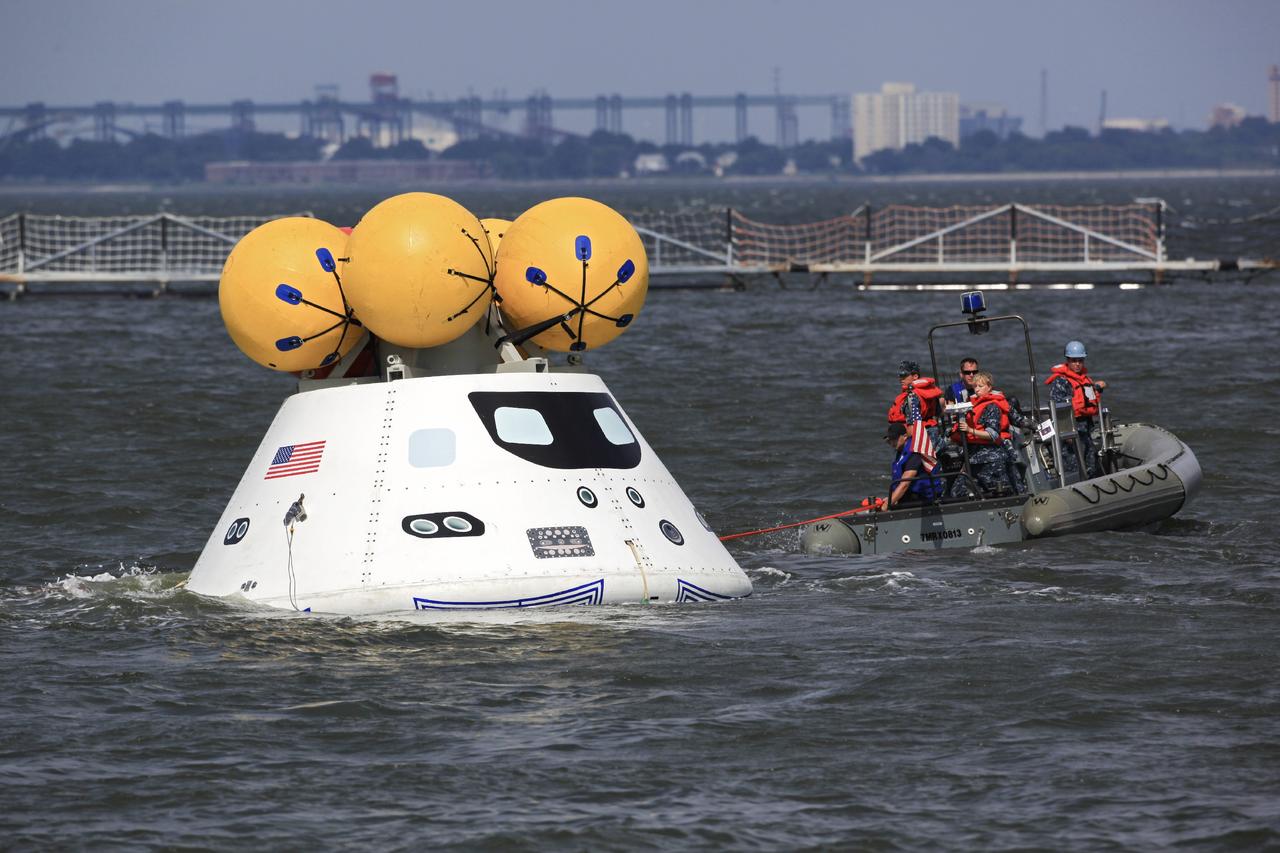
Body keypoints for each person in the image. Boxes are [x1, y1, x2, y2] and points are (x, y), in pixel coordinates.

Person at [952, 370, 1024, 496]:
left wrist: (970, 430)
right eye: (975, 387)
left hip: (993, 458)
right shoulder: (971, 406)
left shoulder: (992, 407)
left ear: (989, 387)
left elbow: (993, 434)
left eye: (980, 386)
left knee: (1004, 491)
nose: (977, 390)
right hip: (974, 456)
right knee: (957, 492)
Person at [1045, 340, 1108, 479]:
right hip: (1069, 432)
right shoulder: (1061, 382)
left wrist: (1097, 388)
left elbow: (1088, 400)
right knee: (1074, 468)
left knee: (1090, 462)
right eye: (1074, 361)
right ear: (1068, 360)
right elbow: (1058, 409)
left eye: (1080, 360)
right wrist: (1066, 432)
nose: (1077, 364)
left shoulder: (1085, 380)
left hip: (1084, 430)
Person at [887, 360, 944, 448]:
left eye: (904, 375)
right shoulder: (930, 392)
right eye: (900, 375)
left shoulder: (911, 396)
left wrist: (906, 445)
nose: (901, 378)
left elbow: (912, 428)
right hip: (933, 433)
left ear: (915, 376)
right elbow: (939, 412)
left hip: (919, 439)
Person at [885, 422, 943, 507]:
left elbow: (905, 483)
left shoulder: (914, 451)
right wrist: (891, 498)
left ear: (905, 436)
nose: (892, 442)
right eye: (890, 440)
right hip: (909, 496)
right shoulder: (900, 450)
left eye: (895, 439)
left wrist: (888, 504)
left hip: (924, 498)